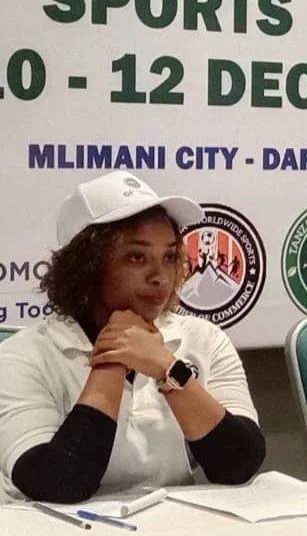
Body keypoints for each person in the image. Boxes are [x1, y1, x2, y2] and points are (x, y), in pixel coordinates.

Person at [0, 171, 265, 504]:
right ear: (85, 268)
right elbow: (60, 482)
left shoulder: (204, 339)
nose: (159, 276)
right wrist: (114, 357)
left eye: (169, 257)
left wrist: (169, 369)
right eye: (137, 257)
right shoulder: (21, 356)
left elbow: (239, 465)